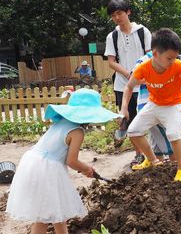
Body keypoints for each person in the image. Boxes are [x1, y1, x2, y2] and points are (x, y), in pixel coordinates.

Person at [6, 89, 121, 234]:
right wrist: (86, 169)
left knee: (54, 213)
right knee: (46, 215)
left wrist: (84, 168)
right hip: (46, 170)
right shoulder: (77, 131)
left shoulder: (61, 122)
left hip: (32, 163)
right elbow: (71, 161)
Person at [120, 28, 181, 182]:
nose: (173, 61)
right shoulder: (143, 68)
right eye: (169, 58)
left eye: (175, 57)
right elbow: (129, 87)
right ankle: (153, 161)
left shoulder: (177, 65)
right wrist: (124, 108)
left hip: (174, 105)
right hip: (154, 104)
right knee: (133, 131)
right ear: (156, 54)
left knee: (173, 134)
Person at [104, 0, 151, 165]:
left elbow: (150, 55)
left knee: (147, 120)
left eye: (119, 13)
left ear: (128, 12)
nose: (117, 18)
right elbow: (111, 61)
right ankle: (139, 154)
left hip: (144, 86)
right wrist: (129, 73)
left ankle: (153, 154)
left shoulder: (143, 31)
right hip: (122, 85)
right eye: (113, 15)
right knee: (130, 119)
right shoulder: (113, 36)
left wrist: (138, 74)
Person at [132, 51, 175, 162]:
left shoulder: (168, 59)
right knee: (168, 139)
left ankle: (159, 167)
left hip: (159, 104)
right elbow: (134, 80)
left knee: (157, 140)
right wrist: (151, 78)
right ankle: (173, 165)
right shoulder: (143, 62)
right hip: (150, 105)